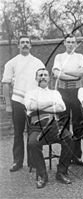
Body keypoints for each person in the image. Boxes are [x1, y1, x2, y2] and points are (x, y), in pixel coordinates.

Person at [1, 35, 45, 172]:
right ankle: (17, 161)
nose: (25, 45)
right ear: (18, 46)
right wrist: (8, 105)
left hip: (33, 102)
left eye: (27, 42)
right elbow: (6, 85)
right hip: (18, 101)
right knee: (18, 132)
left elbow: (43, 82)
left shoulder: (38, 63)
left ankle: (33, 161)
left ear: (31, 46)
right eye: (22, 43)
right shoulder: (11, 63)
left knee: (33, 132)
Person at [25, 68, 73, 188]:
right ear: (36, 78)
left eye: (45, 75)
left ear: (49, 78)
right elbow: (29, 106)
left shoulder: (54, 93)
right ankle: (42, 174)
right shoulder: (30, 93)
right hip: (37, 126)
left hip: (53, 125)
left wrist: (39, 106)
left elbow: (61, 107)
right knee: (32, 143)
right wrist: (50, 103)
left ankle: (61, 172)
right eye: (40, 75)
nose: (43, 77)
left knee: (69, 137)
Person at [52, 34, 83, 165]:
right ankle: (66, 155)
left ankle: (77, 155)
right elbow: (56, 74)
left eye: (73, 42)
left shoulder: (79, 57)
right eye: (68, 42)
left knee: (78, 123)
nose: (71, 44)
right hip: (63, 92)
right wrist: (73, 73)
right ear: (64, 43)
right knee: (64, 124)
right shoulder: (59, 57)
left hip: (76, 92)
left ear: (76, 44)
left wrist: (65, 72)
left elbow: (82, 73)